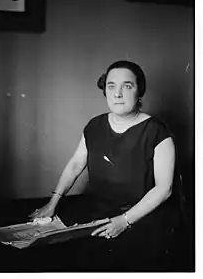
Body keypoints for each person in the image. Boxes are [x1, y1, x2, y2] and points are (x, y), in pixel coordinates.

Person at [29, 60, 181, 271]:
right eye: (111, 86)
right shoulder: (94, 126)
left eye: (127, 86)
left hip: (142, 218)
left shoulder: (157, 132)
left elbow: (164, 189)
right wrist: (53, 203)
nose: (117, 93)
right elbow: (75, 164)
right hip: (100, 212)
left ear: (140, 91)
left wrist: (125, 221)